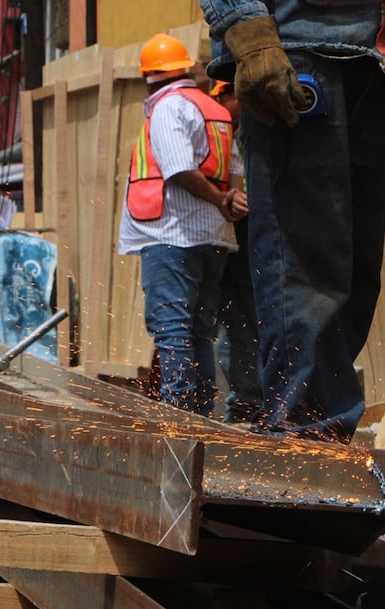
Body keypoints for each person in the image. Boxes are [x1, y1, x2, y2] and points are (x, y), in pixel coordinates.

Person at [198, 0, 385, 441]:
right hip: (297, 53)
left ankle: (315, 434)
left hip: (374, 62)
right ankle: (305, 440)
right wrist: (247, 30)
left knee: (356, 276)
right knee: (304, 270)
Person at [117, 34, 246, 417]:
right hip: (213, 238)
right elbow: (235, 169)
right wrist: (229, 199)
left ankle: (179, 417)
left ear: (149, 77)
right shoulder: (214, 109)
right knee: (200, 330)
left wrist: (221, 200)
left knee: (172, 330)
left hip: (172, 235)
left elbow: (178, 170)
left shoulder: (168, 108)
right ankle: (201, 415)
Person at [210, 80, 261, 423]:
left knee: (243, 326)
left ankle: (249, 404)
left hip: (245, 248)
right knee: (235, 326)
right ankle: (244, 405)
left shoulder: (245, 133)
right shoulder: (221, 132)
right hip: (226, 246)